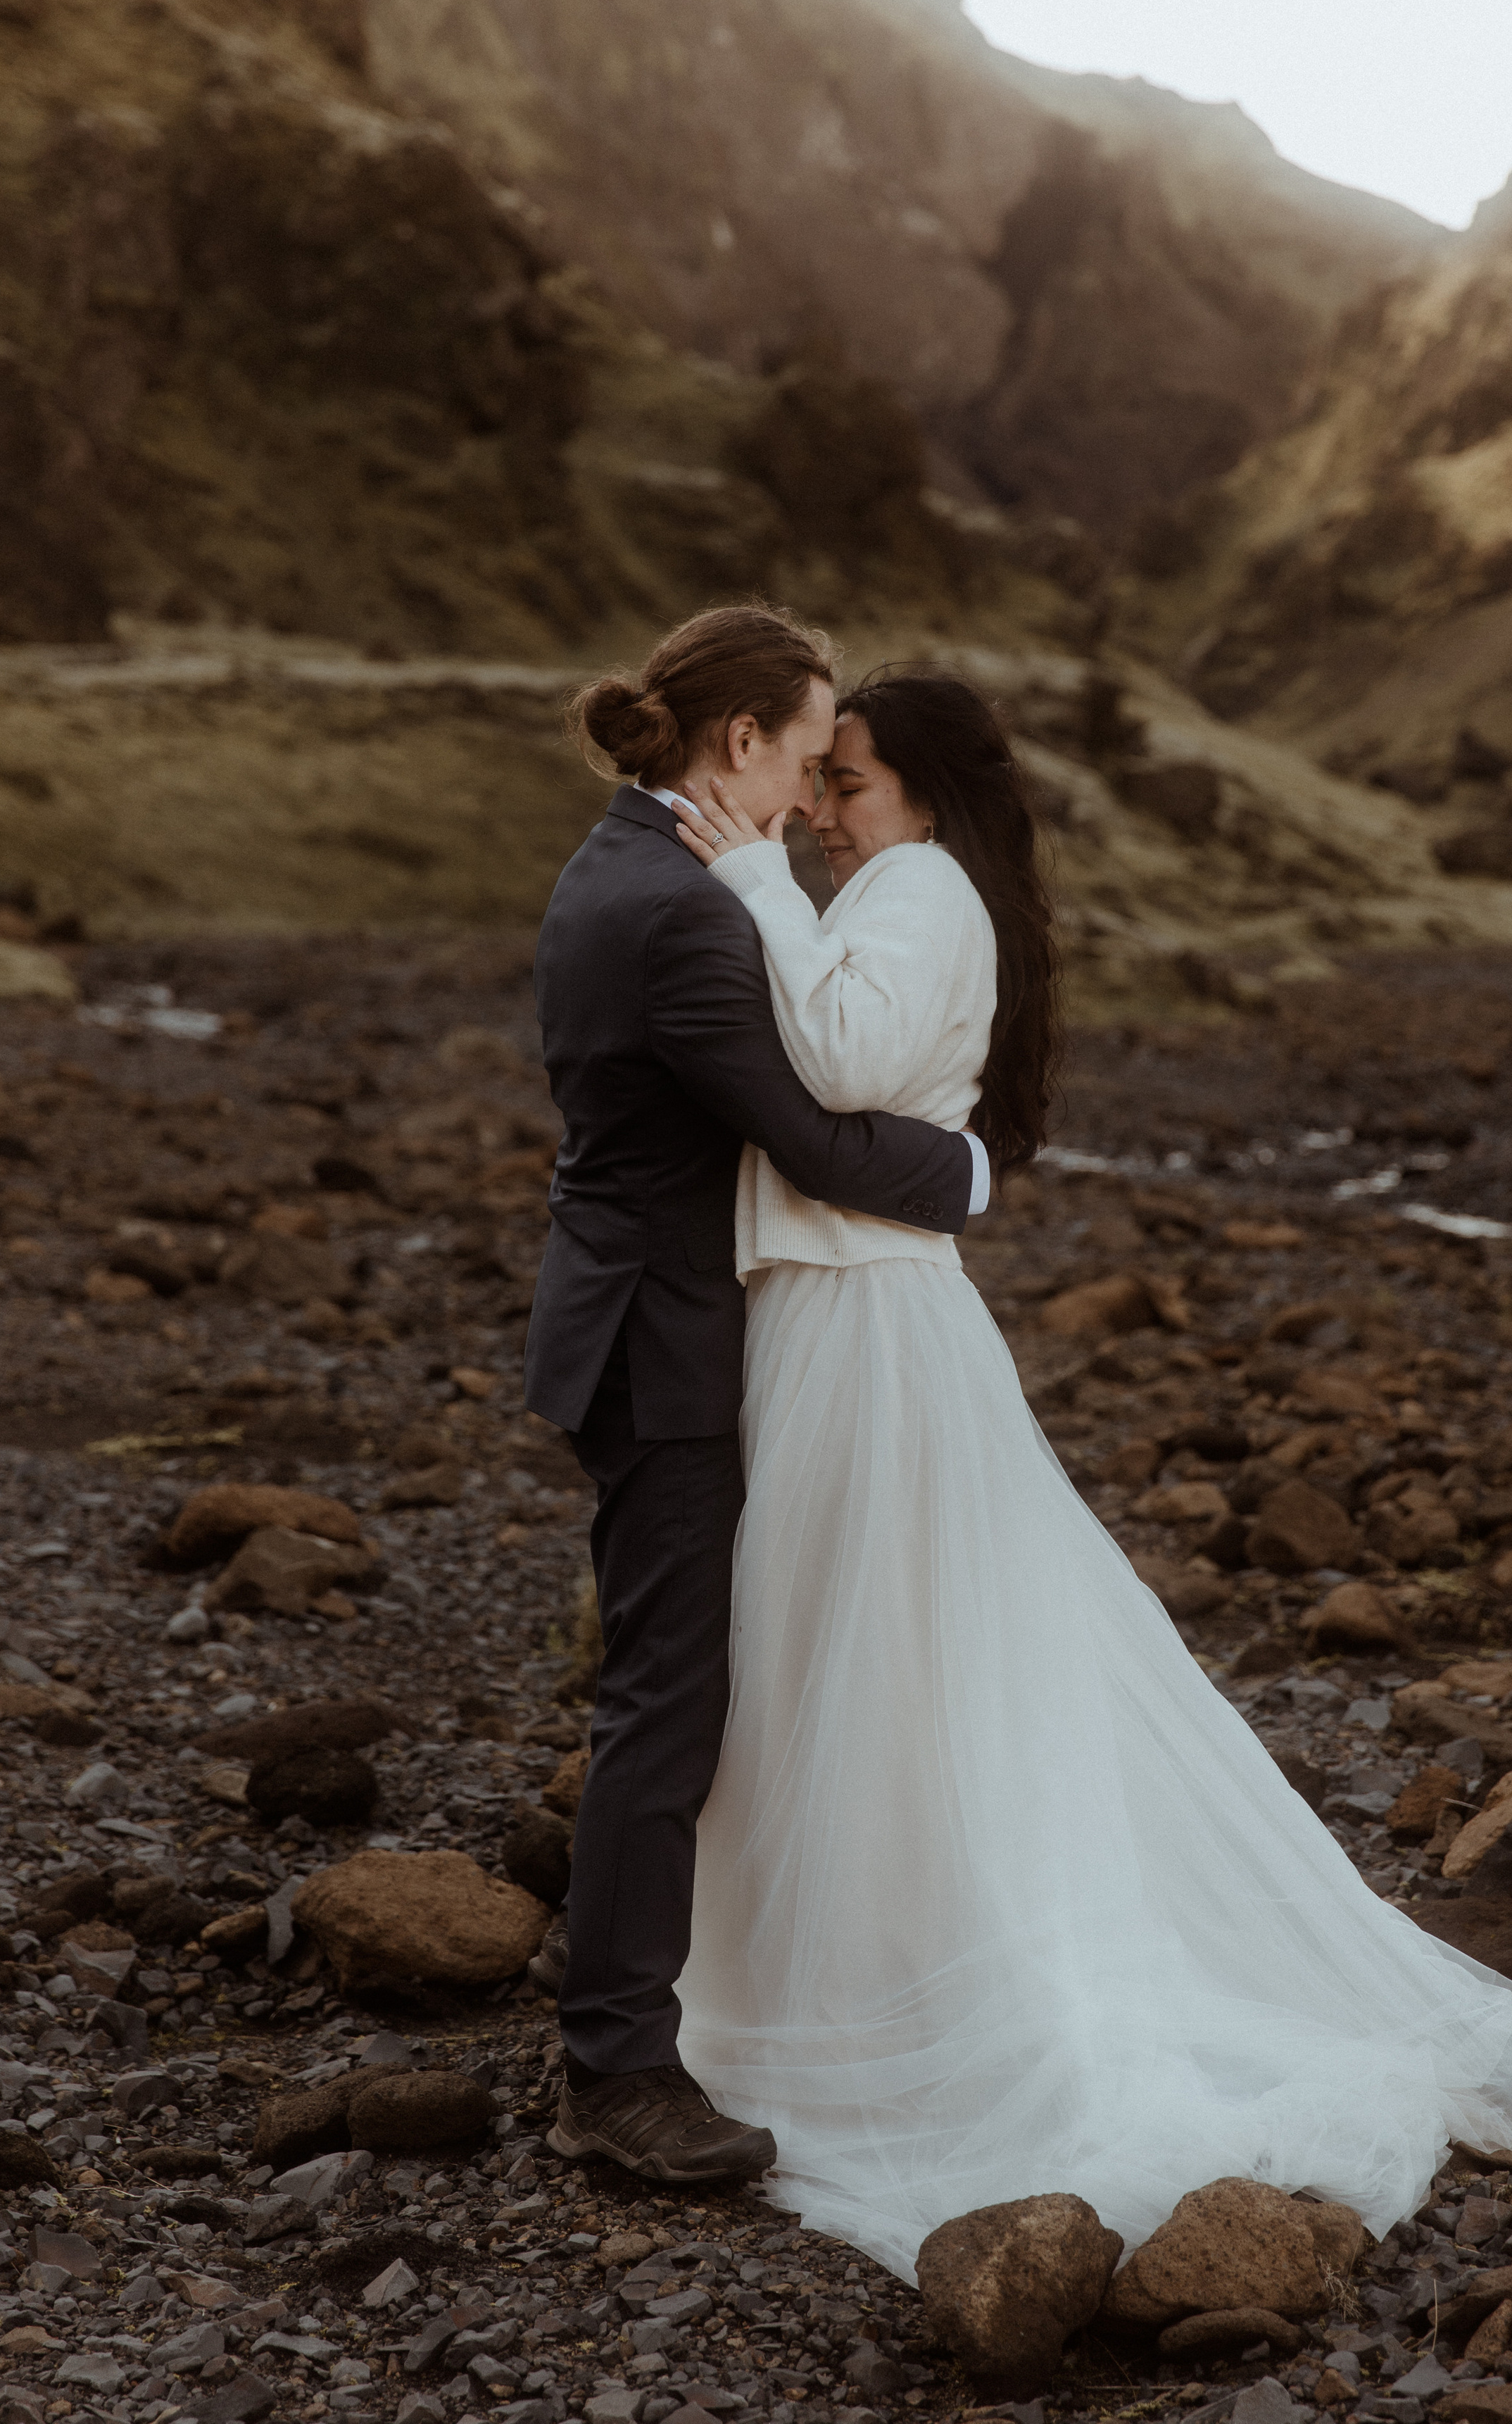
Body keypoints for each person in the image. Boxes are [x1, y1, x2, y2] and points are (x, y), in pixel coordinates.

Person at [668, 662, 1512, 2284]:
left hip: (868, 1327)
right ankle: (829, 1968)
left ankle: (872, 1992)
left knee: (858, 1646)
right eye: (818, 786)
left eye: (854, 782)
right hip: (844, 1308)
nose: (826, 812)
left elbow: (828, 1065)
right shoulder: (916, 883)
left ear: (925, 797)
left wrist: (752, 873)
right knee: (852, 1647)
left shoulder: (919, 889)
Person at [522, 606, 990, 2185]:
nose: (804, 798)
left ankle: (664, 2016)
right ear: (739, 744)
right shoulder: (683, 913)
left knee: (670, 1692)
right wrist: (974, 1170)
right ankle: (617, 2078)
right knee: (665, 1708)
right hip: (659, 1347)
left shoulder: (618, 859)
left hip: (624, 1316)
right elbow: (810, 1137)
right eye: (801, 757)